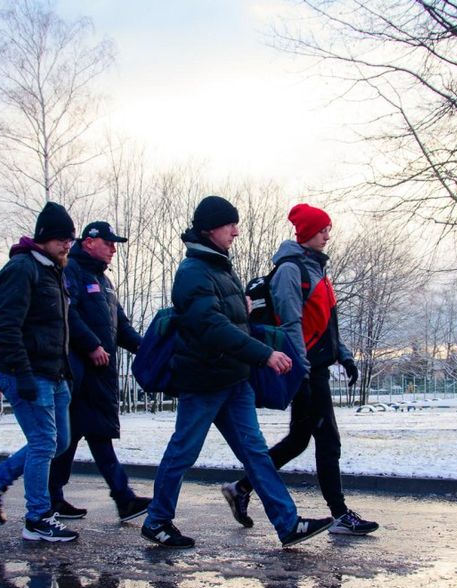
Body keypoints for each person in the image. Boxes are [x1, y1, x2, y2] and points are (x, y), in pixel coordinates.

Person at [142, 195, 333, 549]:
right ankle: (157, 520)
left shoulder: (219, 266)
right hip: (204, 381)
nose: (236, 231)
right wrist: (265, 354)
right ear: (210, 227)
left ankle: (288, 524)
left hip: (234, 379)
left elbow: (224, 317)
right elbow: (211, 326)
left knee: (256, 453)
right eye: (230, 224)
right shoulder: (193, 271)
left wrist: (242, 310)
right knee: (183, 452)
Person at [221, 203, 379, 536]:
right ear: (306, 232)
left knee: (297, 440)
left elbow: (325, 324)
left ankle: (241, 488)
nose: (327, 235)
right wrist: (302, 373)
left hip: (316, 367)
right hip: (306, 370)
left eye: (328, 229)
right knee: (328, 441)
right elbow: (291, 324)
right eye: (322, 229)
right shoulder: (292, 270)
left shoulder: (316, 268)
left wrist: (345, 355)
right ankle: (339, 515)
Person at [0, 202, 80, 542]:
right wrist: (22, 374)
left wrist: (65, 372)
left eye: (71, 239)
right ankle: (37, 518)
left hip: (54, 374)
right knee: (44, 442)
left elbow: (55, 328)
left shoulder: (52, 270)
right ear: (44, 238)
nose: (67, 245)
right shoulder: (22, 269)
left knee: (58, 441)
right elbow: (6, 327)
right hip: (28, 373)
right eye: (62, 238)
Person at [46, 221, 150, 522]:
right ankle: (122, 498)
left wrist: (148, 350)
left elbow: (122, 327)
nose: (114, 249)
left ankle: (57, 498)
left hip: (100, 375)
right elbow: (68, 314)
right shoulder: (71, 271)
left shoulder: (104, 282)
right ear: (90, 242)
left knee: (82, 436)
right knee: (83, 436)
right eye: (109, 242)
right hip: (78, 373)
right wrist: (91, 345)